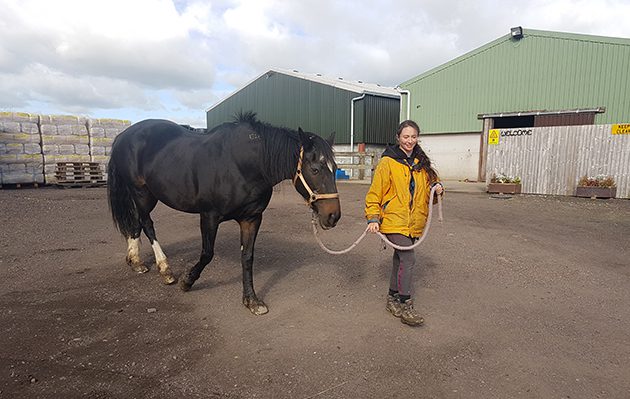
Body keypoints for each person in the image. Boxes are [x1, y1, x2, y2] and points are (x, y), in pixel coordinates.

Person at [364, 120, 443, 326]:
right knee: (408, 258)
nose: (410, 141)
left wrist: (437, 187)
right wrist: (373, 217)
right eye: (406, 137)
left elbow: (431, 186)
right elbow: (375, 193)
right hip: (393, 221)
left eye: (413, 137)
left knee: (400, 260)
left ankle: (392, 299)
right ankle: (405, 304)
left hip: (413, 222)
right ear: (398, 138)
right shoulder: (388, 162)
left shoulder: (421, 163)